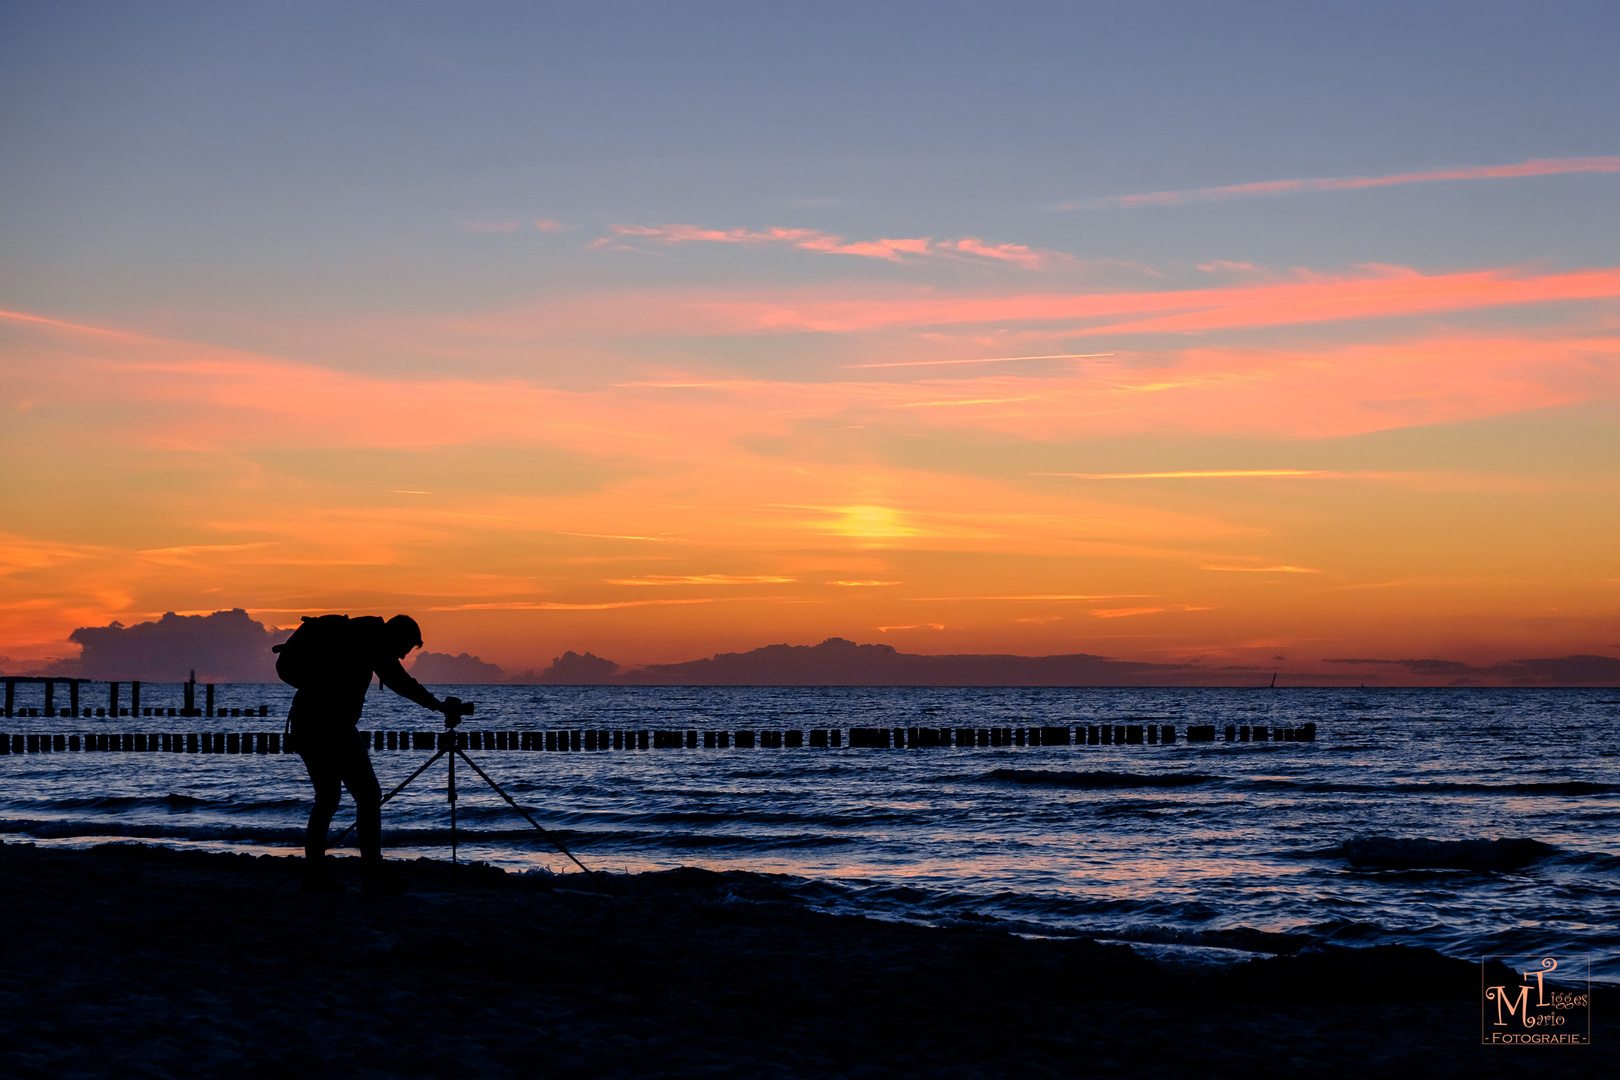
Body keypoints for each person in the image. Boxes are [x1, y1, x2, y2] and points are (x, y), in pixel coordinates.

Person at [279, 613, 453, 894]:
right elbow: (400, 681)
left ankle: (315, 874)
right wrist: (438, 705)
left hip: (306, 723)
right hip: (329, 725)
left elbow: (396, 677)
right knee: (367, 795)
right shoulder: (373, 642)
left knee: (328, 799)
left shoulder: (359, 637)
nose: (403, 656)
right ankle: (371, 873)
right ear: (397, 636)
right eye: (405, 648)